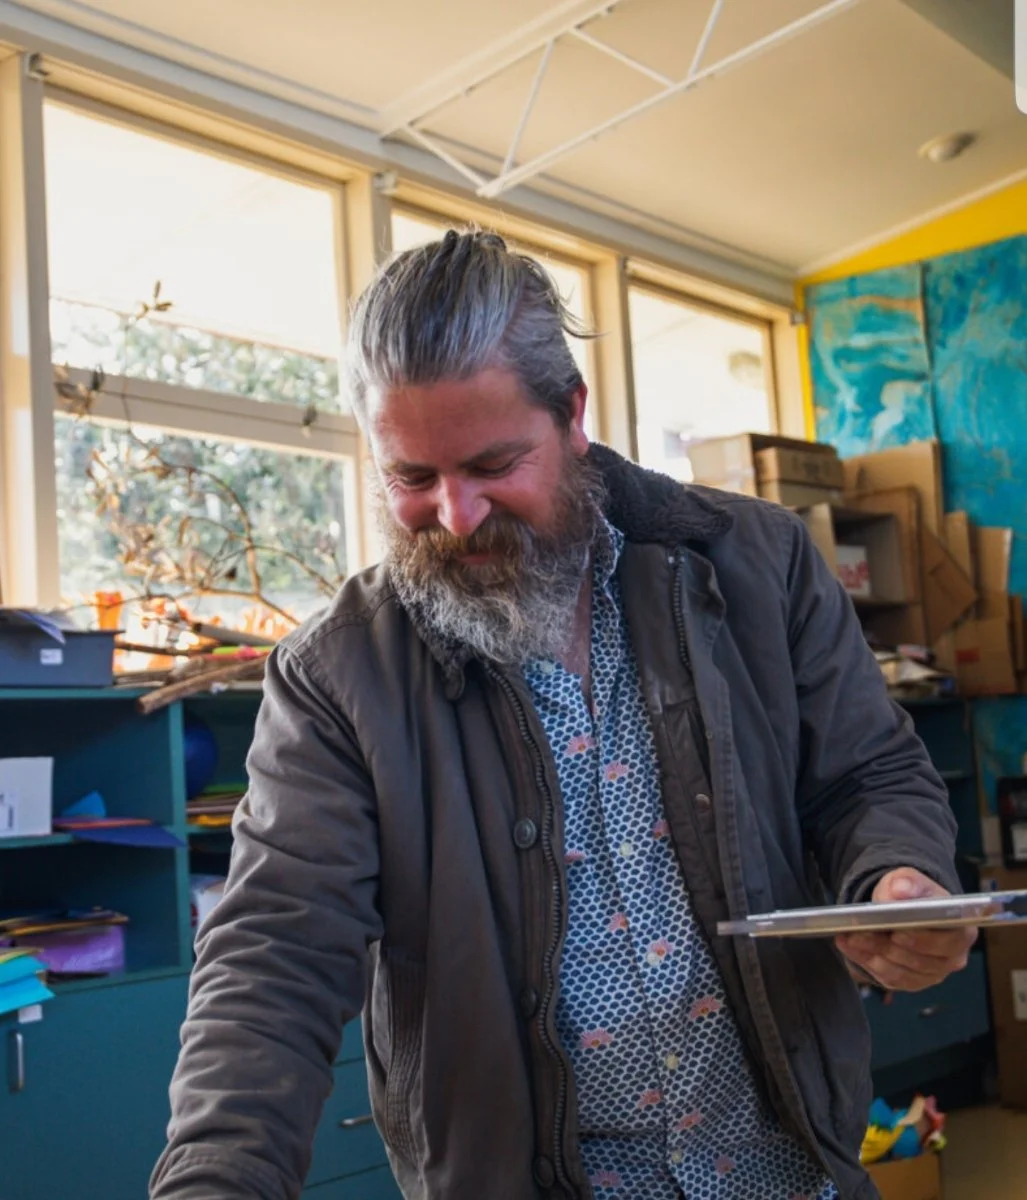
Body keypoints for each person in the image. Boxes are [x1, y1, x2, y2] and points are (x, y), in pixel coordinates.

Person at [151, 230, 973, 1200]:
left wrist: (897, 876)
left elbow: (867, 776)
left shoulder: (760, 562)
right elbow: (272, 952)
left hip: (788, 1169)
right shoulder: (336, 675)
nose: (455, 516)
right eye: (411, 478)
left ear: (572, 414)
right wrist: (215, 1177)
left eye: (493, 464)